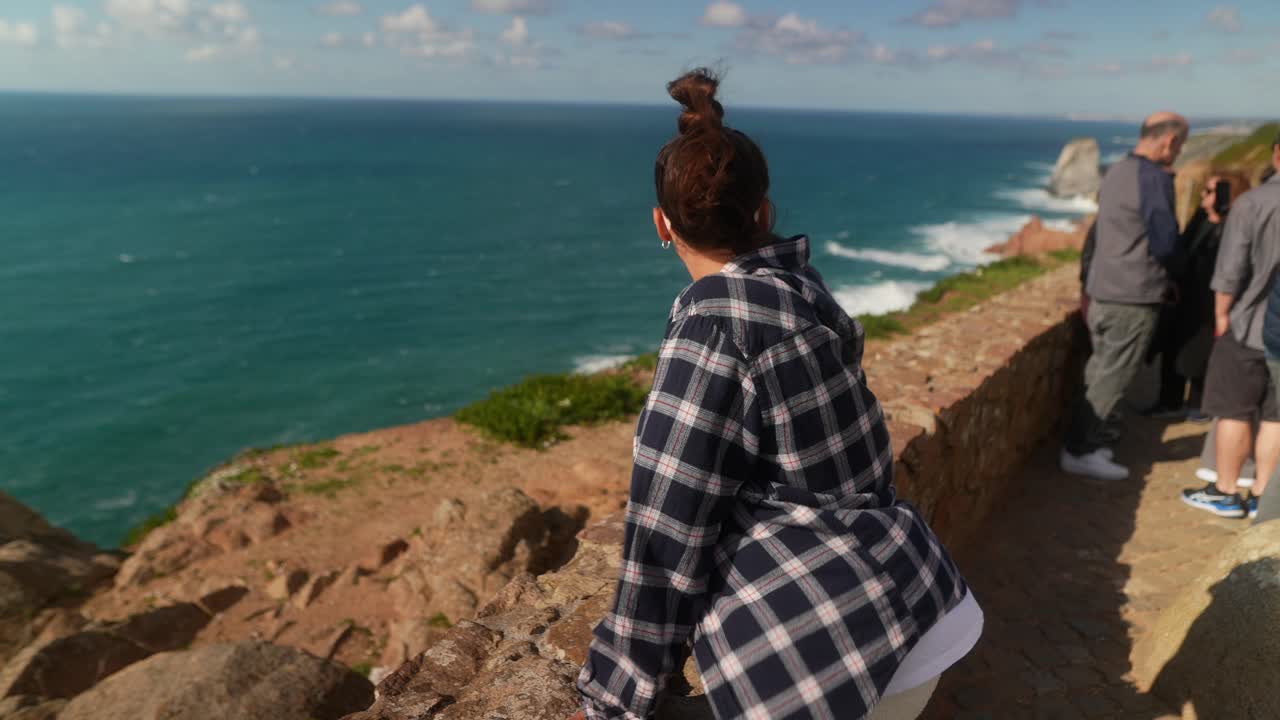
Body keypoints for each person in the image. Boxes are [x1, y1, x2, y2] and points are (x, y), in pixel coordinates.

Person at [570, 69, 981, 720]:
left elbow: (666, 531)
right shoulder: (805, 294)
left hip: (832, 658)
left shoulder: (713, 328)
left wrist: (612, 696)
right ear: (764, 212)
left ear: (661, 225)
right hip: (924, 606)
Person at [1060, 113, 1189, 480]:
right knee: (1113, 376)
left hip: (1102, 290)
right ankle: (1080, 450)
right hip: (1132, 296)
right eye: (1180, 145)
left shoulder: (1117, 171)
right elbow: (1166, 243)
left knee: (1100, 369)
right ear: (1168, 141)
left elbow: (1098, 234)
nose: (1179, 153)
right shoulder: (1154, 178)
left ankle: (1091, 440)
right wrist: (1179, 274)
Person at [1182, 134, 1280, 520]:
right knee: (1275, 416)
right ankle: (1262, 495)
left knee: (1234, 410)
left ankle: (1225, 491)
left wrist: (1222, 317)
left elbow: (1230, 271)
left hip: (1249, 324)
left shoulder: (1253, 203)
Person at [1144, 173, 1246, 422]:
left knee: (1200, 356)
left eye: (1210, 191)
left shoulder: (1235, 227)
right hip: (1184, 299)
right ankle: (1169, 402)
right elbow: (1180, 251)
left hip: (1209, 305)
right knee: (1173, 351)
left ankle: (1199, 406)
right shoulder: (1200, 219)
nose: (1203, 195)